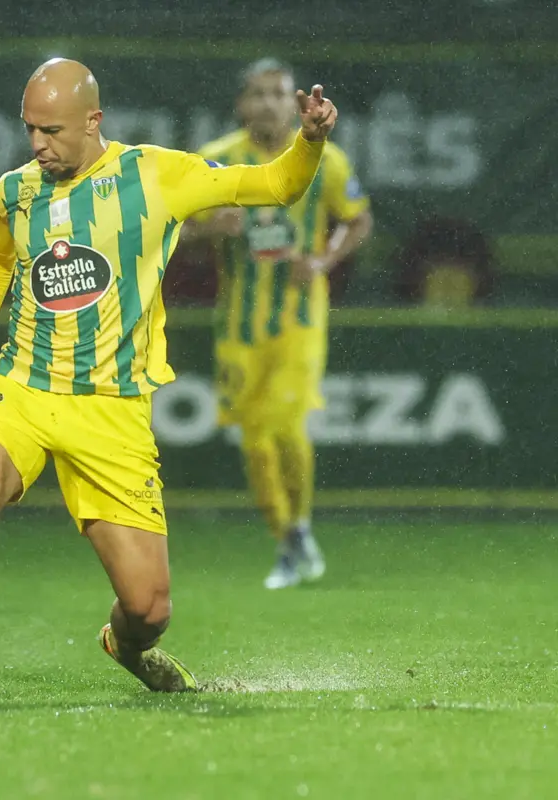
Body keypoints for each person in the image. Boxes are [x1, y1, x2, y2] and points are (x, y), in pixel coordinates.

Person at [0, 58, 340, 703]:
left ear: (93, 121)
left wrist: (311, 141)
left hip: (112, 408)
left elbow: (277, 185)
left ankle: (125, 645)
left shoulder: (159, 175)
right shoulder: (15, 190)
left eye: (52, 130)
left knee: (150, 607)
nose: (38, 145)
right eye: (29, 131)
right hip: (21, 387)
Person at [186, 59, 373, 589]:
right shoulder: (217, 163)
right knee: (254, 440)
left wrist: (323, 261)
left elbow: (358, 217)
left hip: (299, 317)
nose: (267, 103)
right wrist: (206, 227)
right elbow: (173, 226)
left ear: (290, 101)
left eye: (276, 93)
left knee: (286, 426)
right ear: (242, 104)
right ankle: (289, 537)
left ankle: (297, 534)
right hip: (238, 325)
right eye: (257, 94)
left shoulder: (325, 160)